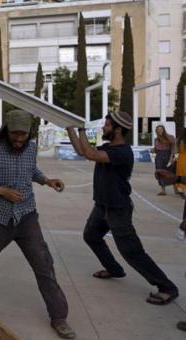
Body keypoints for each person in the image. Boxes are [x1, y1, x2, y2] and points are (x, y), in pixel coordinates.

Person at [66, 112, 179, 305]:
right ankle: (114, 269)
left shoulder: (122, 152)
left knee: (132, 251)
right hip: (102, 205)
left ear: (118, 130)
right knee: (91, 236)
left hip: (117, 208)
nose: (104, 128)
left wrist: (82, 129)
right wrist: (70, 127)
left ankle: (167, 288)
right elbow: (82, 151)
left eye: (107, 125)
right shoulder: (108, 147)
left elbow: (91, 154)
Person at [0, 110, 75, 339]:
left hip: (27, 217)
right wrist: (1, 191)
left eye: (23, 134)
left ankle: (59, 317)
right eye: (14, 134)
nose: (19, 138)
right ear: (6, 131)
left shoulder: (31, 148)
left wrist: (46, 180)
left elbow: (31, 170)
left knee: (44, 264)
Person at [153, 125, 176, 195]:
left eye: (161, 129)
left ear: (164, 130)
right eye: (158, 129)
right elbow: (156, 149)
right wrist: (153, 150)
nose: (159, 130)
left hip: (168, 155)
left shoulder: (170, 137)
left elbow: (172, 149)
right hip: (159, 157)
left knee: (172, 172)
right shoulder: (156, 139)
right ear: (156, 131)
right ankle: (163, 191)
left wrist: (171, 158)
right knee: (160, 173)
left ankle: (176, 189)